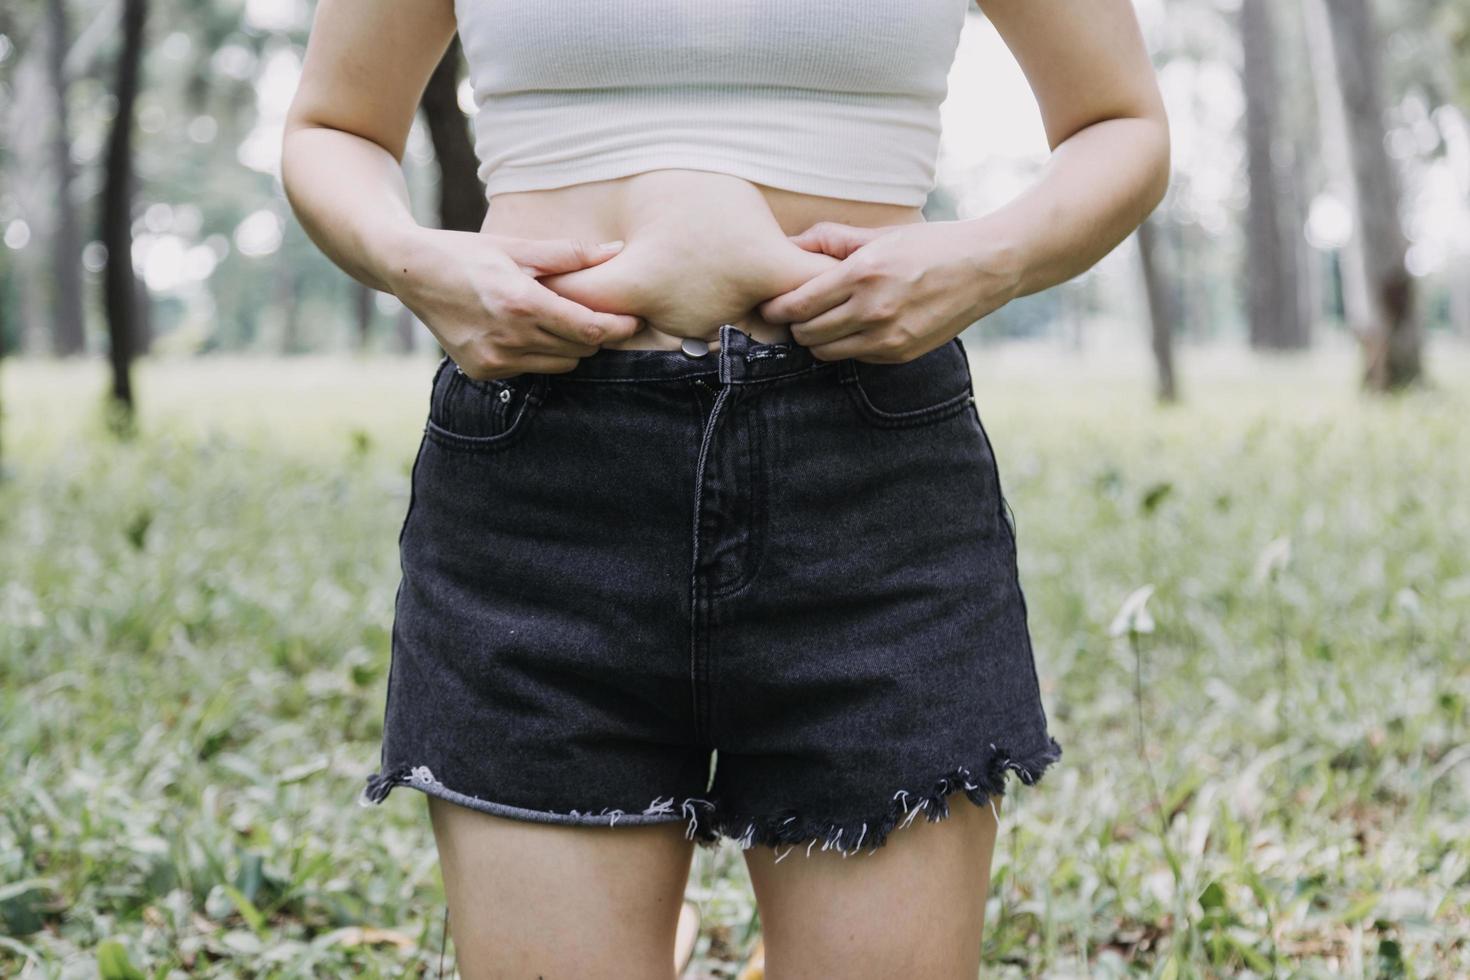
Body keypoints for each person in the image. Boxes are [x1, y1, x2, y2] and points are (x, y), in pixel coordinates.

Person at [281, 0, 1168, 975]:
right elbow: (336, 126)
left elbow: (1118, 121)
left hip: (869, 491)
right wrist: (419, 262)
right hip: (544, 494)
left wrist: (983, 259)